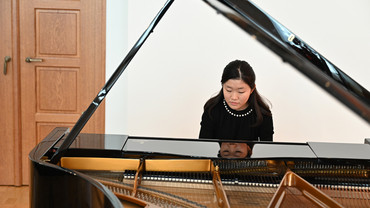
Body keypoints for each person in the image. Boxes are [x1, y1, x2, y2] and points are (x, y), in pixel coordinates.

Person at [199, 60, 273, 141]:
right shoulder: (212, 110)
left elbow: (266, 151)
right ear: (222, 85)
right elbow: (203, 148)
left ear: (252, 89)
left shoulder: (263, 114)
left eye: (241, 92)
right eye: (228, 90)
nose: (234, 97)